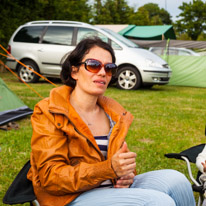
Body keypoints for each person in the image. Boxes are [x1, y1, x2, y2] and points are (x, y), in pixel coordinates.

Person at [27, 37, 195, 206]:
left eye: (109, 68)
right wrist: (108, 169)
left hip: (111, 188)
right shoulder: (50, 111)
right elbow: (50, 177)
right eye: (93, 65)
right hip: (69, 197)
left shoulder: (113, 114)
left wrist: (126, 175)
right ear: (74, 71)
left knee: (177, 180)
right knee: (158, 202)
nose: (102, 72)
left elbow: (119, 162)